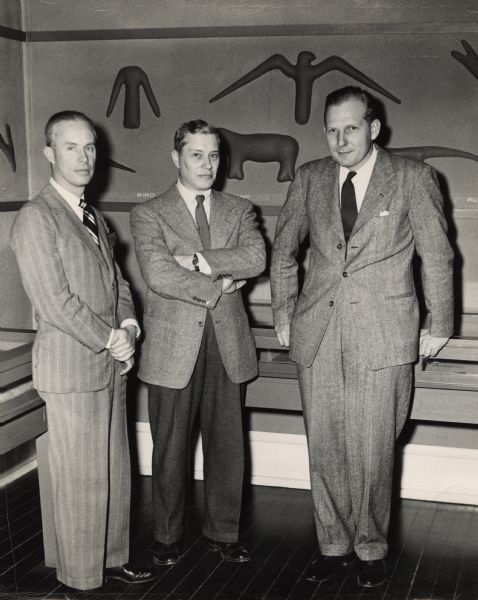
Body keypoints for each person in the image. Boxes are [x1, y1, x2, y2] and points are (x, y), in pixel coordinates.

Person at [270, 87, 454, 588]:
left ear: (373, 129)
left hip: (383, 332)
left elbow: (437, 255)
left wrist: (439, 323)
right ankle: (332, 546)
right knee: (324, 444)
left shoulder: (413, 178)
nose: (340, 138)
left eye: (350, 127)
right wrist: (283, 313)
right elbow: (284, 251)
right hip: (318, 331)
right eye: (331, 129)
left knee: (375, 446)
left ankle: (371, 547)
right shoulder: (309, 178)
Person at [11, 111, 155, 596]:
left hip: (109, 363)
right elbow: (53, 301)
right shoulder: (37, 217)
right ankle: (79, 578)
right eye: (70, 147)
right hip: (72, 368)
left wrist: (130, 326)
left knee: (113, 471)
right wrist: (109, 337)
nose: (84, 157)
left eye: (90, 147)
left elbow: (117, 284)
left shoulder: (93, 215)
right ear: (49, 153)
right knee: (78, 480)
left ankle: (111, 561)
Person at [130, 119, 266, 566]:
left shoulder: (240, 208)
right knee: (170, 447)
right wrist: (219, 283)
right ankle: (167, 537)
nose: (207, 164)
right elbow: (157, 272)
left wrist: (197, 261)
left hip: (228, 343)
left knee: (228, 445)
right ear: (176, 158)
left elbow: (256, 257)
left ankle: (224, 533)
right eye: (196, 155)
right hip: (172, 348)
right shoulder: (148, 212)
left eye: (213, 155)